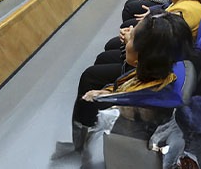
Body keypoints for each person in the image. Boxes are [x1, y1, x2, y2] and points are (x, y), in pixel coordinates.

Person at [72, 11, 193, 148]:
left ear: (139, 58)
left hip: (122, 145)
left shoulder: (129, 108)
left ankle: (81, 144)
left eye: (132, 37)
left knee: (89, 83)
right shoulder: (167, 68)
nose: (129, 37)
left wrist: (103, 96)